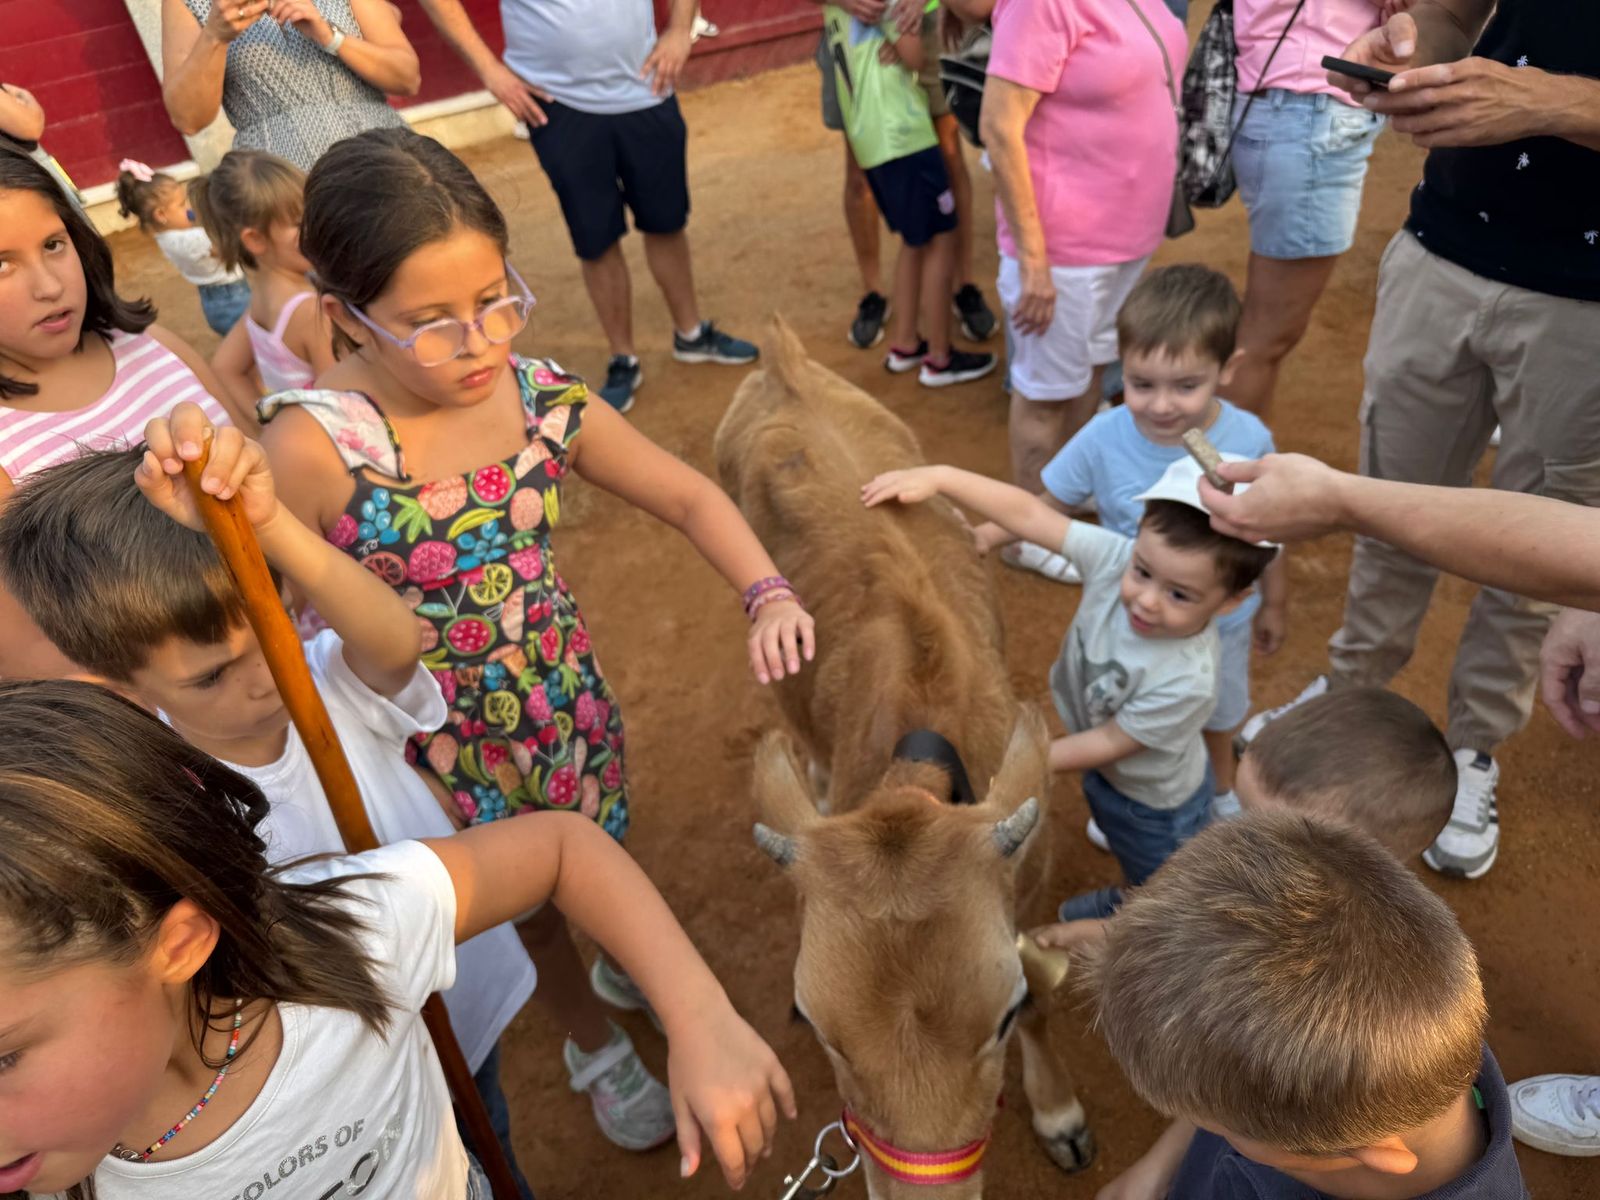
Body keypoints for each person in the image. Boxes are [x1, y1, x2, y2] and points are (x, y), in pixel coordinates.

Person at [254, 127, 813, 1150]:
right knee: (528, 905)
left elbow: (687, 494)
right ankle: (590, 1041)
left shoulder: (540, 393)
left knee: (595, 838)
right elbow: (270, 627)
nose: (479, 344)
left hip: (560, 691)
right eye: (430, 323)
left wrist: (766, 590)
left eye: (495, 301)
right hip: (423, 741)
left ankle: (606, 963)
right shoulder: (312, 446)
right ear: (343, 317)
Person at [0, 415, 540, 1194]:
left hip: (442, 956)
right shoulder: (160, 796)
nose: (263, 678)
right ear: (124, 693)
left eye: (272, 631)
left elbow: (396, 643)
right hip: (327, 1038)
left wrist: (269, 524)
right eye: (211, 677)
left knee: (474, 1118)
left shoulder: (323, 681)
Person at [0, 679, 794, 1198]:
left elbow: (560, 849)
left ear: (177, 945)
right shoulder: (46, 1161)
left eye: (5, 1056)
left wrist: (700, 1018)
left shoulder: (342, 935)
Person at [1240, 0, 1600, 881]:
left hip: (1587, 301)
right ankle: (1354, 692)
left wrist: (1550, 103)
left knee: (1539, 535)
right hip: (1440, 248)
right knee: (1385, 495)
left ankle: (1475, 743)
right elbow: (1449, 12)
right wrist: (1413, 55)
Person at [862, 455, 1278, 919]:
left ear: (1233, 602)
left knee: (1164, 875)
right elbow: (1030, 516)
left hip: (1153, 803)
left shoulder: (1188, 679)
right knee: (1122, 839)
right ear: (1137, 542)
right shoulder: (1116, 557)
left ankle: (1138, 911)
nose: (1146, 599)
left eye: (1179, 594)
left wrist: (1020, 760)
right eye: (1142, 572)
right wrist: (943, 476)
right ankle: (1133, 889)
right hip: (1114, 778)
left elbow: (1111, 741)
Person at [1088, 813, 1529, 1200]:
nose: (1209, 1125)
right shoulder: (1416, 1036)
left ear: (1373, 1152)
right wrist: (1157, 1167)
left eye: (1225, 1129)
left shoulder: (1349, 1070)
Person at [986, 265, 1287, 820]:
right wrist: (982, 538)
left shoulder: (1250, 440)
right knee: (1118, 714)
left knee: (1219, 714)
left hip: (1221, 622)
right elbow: (1043, 503)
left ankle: (1220, 792)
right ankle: (1130, 798)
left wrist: (1273, 601)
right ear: (1118, 369)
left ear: (1227, 370)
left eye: (1186, 385)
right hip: (1132, 617)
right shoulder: (1103, 434)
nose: (1162, 405)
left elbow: (1265, 539)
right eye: (1141, 384)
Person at [414, 0, 758, 413]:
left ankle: (691, 334)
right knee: (595, 239)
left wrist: (680, 30)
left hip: (647, 87)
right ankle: (623, 358)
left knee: (667, 223)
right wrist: (491, 72)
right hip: (557, 104)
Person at [978, 0, 1187, 554]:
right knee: (1045, 392)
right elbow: (999, 126)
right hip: (1062, 249)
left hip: (1124, 240)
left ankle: (1062, 496)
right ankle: (1029, 538)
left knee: (1091, 372)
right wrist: (1033, 262)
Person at [0, 150, 242, 489]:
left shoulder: (154, 341)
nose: (51, 287)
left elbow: (258, 449)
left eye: (54, 245)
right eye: (2, 265)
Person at [1223, 0, 1387, 417]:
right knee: (1265, 338)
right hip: (1309, 114)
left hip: (1294, 109)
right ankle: (1226, 475)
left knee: (1264, 334)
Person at [821, 3, 996, 386]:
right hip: (903, 134)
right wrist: (909, 42)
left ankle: (904, 344)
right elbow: (916, 58)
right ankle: (939, 357)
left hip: (873, 141)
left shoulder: (835, 10)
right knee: (941, 237)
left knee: (915, 241)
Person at [160, 0, 419, 171]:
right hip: (283, 188)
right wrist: (214, 36)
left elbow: (407, 77)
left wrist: (329, 36)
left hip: (387, 160)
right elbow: (188, 118)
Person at [190, 149, 332, 403]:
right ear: (254, 239)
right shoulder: (310, 311)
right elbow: (344, 398)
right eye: (300, 223)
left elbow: (225, 368)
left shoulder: (261, 299)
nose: (319, 225)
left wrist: (266, 429)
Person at [114, 158, 251, 337]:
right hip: (234, 298)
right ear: (161, 215)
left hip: (215, 298)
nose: (188, 207)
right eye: (181, 204)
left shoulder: (167, 238)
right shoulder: (192, 239)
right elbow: (228, 249)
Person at [0, 80, 85, 213]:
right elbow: (30, 126)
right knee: (72, 223)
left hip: (22, 169)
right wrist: (28, 98)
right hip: (26, 168)